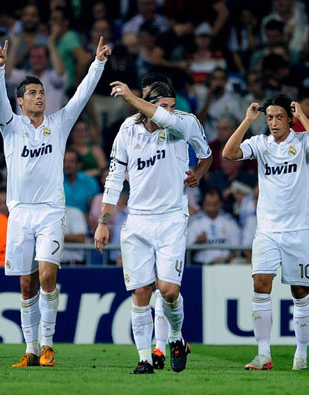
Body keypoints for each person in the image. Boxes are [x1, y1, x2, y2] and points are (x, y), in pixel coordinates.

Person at [0, 37, 110, 367]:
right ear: (20, 101)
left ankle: (47, 345)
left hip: (50, 212)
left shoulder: (58, 124)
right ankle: (29, 350)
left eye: (42, 93)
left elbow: (82, 95)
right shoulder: (10, 126)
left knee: (46, 276)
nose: (39, 97)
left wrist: (98, 62)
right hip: (19, 214)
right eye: (32, 93)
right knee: (26, 284)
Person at [94, 80, 212, 374]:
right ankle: (145, 358)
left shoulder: (183, 124)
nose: (171, 112)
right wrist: (103, 222)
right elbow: (113, 179)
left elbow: (207, 154)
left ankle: (175, 337)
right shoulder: (127, 130)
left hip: (172, 219)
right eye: (164, 106)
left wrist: (198, 172)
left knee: (169, 290)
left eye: (173, 106)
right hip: (137, 221)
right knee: (141, 292)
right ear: (148, 106)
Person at [222, 94, 309, 371]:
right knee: (260, 283)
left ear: (289, 119)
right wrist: (247, 121)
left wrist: (303, 117)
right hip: (267, 229)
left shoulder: (302, 141)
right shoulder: (260, 144)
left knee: (299, 290)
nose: (273, 122)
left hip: (299, 228)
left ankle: (301, 354)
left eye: (279, 117)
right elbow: (229, 153)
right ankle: (263, 354)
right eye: (269, 117)